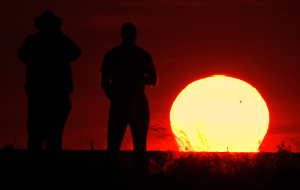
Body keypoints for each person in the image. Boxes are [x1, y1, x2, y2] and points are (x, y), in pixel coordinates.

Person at [17, 10, 81, 159]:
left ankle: (36, 169)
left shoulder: (33, 41)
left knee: (36, 136)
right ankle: (51, 169)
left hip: (38, 95)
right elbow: (76, 52)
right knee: (54, 136)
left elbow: (22, 55)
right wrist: (59, 34)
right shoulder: (58, 41)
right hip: (56, 95)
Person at [101, 23, 157, 180]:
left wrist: (113, 97)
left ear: (121, 35)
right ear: (135, 36)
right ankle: (141, 180)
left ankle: (109, 179)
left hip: (120, 103)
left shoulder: (112, 54)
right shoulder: (143, 55)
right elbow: (153, 79)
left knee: (113, 146)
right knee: (140, 147)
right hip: (137, 103)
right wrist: (138, 79)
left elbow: (105, 82)